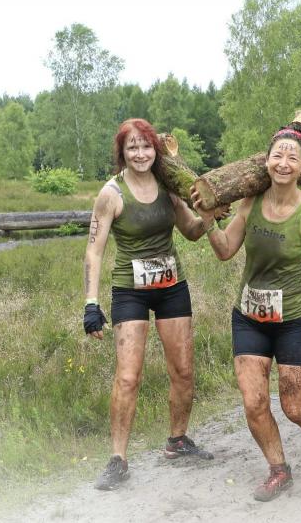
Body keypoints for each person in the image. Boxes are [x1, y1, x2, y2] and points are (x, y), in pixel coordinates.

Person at [192, 125, 301, 501]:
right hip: (249, 317)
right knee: (254, 402)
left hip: (292, 321)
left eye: (292, 157)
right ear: (266, 162)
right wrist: (210, 219)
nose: (283, 163)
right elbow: (225, 250)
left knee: (296, 407)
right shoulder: (250, 202)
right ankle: (279, 469)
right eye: (277, 155)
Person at [84, 118, 215, 491]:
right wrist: (91, 303)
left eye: (146, 146)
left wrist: (209, 216)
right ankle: (118, 459)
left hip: (172, 286)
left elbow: (191, 231)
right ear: (122, 152)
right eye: (132, 147)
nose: (140, 154)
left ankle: (177, 440)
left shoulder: (168, 187)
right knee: (128, 377)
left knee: (183, 371)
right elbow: (94, 251)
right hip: (131, 290)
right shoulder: (111, 194)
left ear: (156, 150)